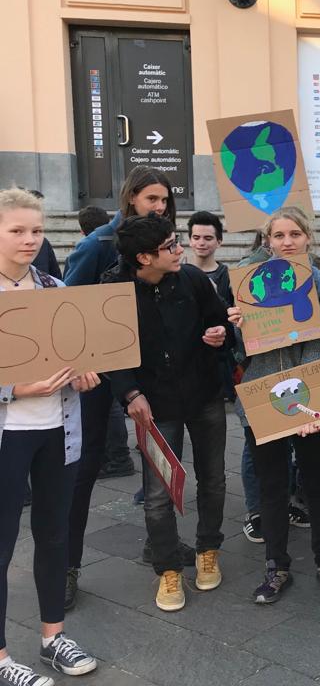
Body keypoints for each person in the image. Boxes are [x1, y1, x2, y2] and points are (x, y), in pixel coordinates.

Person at [104, 214, 233, 612]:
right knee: (158, 493)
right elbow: (109, 350)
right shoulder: (113, 289)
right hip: (154, 406)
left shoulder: (193, 279)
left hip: (204, 395)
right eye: (171, 246)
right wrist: (129, 393)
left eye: (178, 242)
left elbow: (220, 321)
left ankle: (208, 549)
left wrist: (219, 335)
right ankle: (168, 569)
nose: (180, 250)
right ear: (144, 257)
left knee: (212, 478)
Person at [62, 166, 177, 610]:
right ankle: (67, 566)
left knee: (161, 458)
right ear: (131, 198)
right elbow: (67, 306)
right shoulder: (98, 245)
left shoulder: (164, 247)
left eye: (165, 200)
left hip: (148, 374)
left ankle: (160, 545)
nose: (160, 207)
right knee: (84, 470)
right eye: (152, 199)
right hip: (97, 376)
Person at [0, 189, 99, 686]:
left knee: (54, 535)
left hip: (57, 430)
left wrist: (83, 373)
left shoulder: (55, 289)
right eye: (17, 230)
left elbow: (76, 357)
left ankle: (51, 637)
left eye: (35, 230)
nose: (29, 239)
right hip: (8, 434)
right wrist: (14, 388)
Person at [229, 207, 320, 604]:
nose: (287, 242)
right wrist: (234, 324)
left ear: (307, 238)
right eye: (279, 235)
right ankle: (276, 566)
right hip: (264, 395)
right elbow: (236, 351)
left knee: (316, 484)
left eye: (294, 234)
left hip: (315, 395)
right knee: (273, 487)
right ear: (268, 241)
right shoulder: (248, 281)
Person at [187, 211, 236, 402]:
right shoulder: (176, 274)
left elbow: (234, 321)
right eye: (196, 237)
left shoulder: (229, 277)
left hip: (218, 362)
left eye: (208, 238)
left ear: (219, 241)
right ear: (190, 241)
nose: (201, 243)